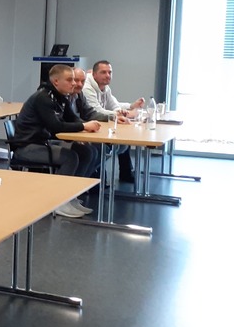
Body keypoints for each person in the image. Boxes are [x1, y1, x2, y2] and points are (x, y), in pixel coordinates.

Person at [12, 64, 101, 218]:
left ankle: (71, 195)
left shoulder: (60, 97)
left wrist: (85, 127)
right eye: (70, 80)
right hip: (27, 147)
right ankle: (59, 202)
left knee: (87, 152)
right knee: (70, 157)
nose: (74, 83)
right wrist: (84, 126)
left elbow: (72, 118)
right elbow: (56, 127)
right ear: (56, 81)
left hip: (43, 143)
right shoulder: (43, 98)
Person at [81, 60, 143, 182]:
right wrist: (117, 115)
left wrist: (128, 109)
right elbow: (96, 110)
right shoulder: (87, 88)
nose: (108, 75)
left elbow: (114, 105)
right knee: (102, 147)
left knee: (124, 138)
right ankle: (96, 181)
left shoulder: (105, 88)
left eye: (110, 72)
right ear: (94, 74)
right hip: (90, 126)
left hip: (100, 123)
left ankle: (125, 173)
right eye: (103, 72)